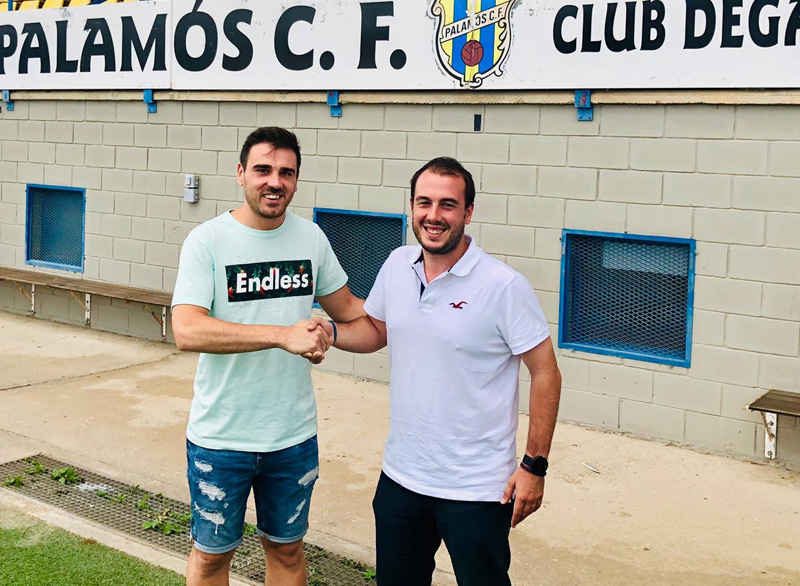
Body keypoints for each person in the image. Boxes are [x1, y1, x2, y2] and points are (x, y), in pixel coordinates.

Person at [312, 157, 562, 585]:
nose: (433, 215)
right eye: (424, 202)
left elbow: (545, 372)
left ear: (468, 213)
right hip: (402, 479)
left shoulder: (502, 285)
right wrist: (330, 332)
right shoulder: (397, 264)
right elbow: (376, 330)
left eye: (448, 204)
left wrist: (534, 467)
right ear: (411, 207)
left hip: (478, 490)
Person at [171, 127, 364, 586]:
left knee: (287, 551)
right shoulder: (208, 240)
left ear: (296, 181)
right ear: (240, 174)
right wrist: (282, 335)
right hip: (221, 437)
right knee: (213, 557)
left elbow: (353, 314)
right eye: (262, 169)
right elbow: (187, 329)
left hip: (292, 437)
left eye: (286, 172)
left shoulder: (311, 239)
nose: (274, 181)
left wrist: (332, 331)